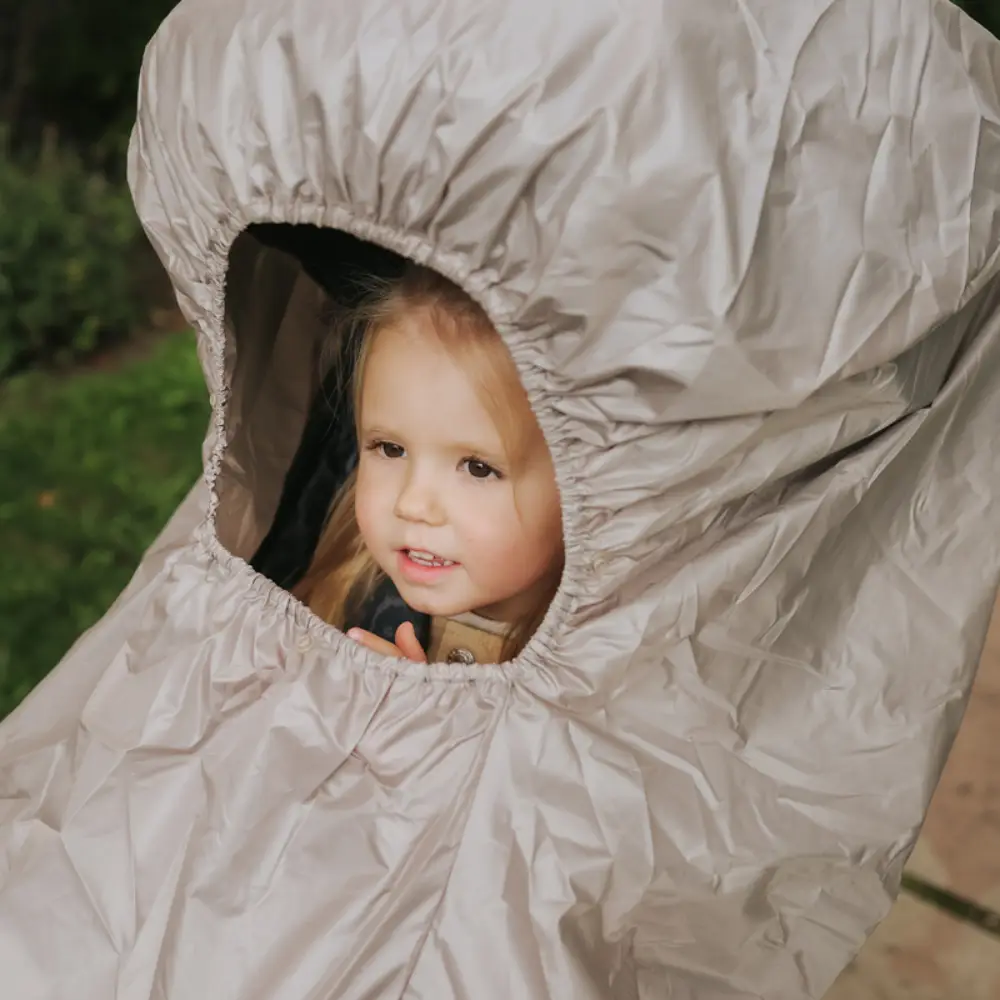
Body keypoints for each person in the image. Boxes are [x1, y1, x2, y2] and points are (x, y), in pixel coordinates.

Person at [292, 263, 564, 664]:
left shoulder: (602, 667)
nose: (412, 504)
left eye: (477, 468)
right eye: (389, 449)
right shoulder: (348, 586)